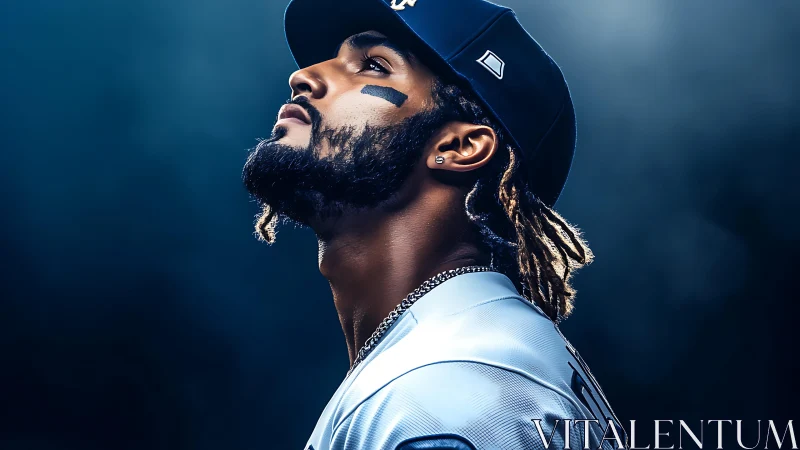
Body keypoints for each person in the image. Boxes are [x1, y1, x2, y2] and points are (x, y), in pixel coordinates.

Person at [242, 0, 627, 448]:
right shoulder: (465, 359)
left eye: (373, 65)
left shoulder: (441, 394)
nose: (303, 76)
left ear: (460, 147)